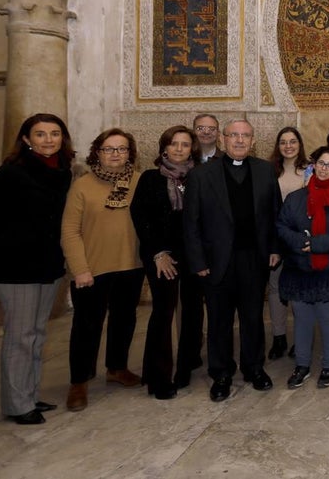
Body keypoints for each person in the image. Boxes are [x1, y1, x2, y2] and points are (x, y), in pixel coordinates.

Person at [0, 113, 74, 425]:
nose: (48, 140)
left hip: (47, 265)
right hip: (15, 269)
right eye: (40, 134)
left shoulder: (61, 170)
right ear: (27, 139)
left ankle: (28, 395)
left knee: (37, 333)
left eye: (54, 133)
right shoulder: (11, 173)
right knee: (20, 336)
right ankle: (18, 405)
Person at [183, 119, 282, 402]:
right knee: (219, 321)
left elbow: (275, 214)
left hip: (254, 258)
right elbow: (191, 223)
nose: (240, 141)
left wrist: (275, 247)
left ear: (253, 141)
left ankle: (254, 368)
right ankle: (221, 373)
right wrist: (198, 261)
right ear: (224, 139)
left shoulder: (265, 171)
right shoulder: (202, 175)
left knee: (253, 317)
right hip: (216, 261)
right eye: (234, 135)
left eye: (245, 136)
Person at [60, 128, 145, 412]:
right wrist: (80, 269)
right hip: (92, 269)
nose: (115, 154)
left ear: (130, 153)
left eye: (122, 149)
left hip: (131, 266)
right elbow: (70, 232)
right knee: (87, 325)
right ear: (98, 152)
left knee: (124, 319)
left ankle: (117, 368)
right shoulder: (82, 185)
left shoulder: (139, 181)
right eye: (109, 149)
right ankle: (79, 382)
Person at [129, 125, 204, 399]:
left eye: (185, 144)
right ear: (164, 148)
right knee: (164, 312)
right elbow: (141, 218)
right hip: (162, 256)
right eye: (174, 144)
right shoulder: (150, 178)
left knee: (194, 311)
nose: (179, 149)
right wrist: (158, 253)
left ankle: (185, 365)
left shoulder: (200, 177)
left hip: (193, 254)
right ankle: (159, 376)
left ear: (191, 149)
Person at [277, 146, 329, 390]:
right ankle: (301, 366)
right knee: (301, 319)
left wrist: (318, 244)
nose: (324, 169)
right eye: (321, 163)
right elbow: (281, 226)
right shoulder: (296, 198)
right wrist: (301, 243)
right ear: (313, 165)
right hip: (299, 268)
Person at [266, 127, 307, 360]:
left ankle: (300, 338)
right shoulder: (268, 170)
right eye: (283, 142)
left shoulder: (309, 170)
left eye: (293, 141)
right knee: (276, 288)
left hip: (300, 238)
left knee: (300, 288)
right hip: (276, 238)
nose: (288, 146)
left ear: (300, 144)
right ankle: (279, 337)